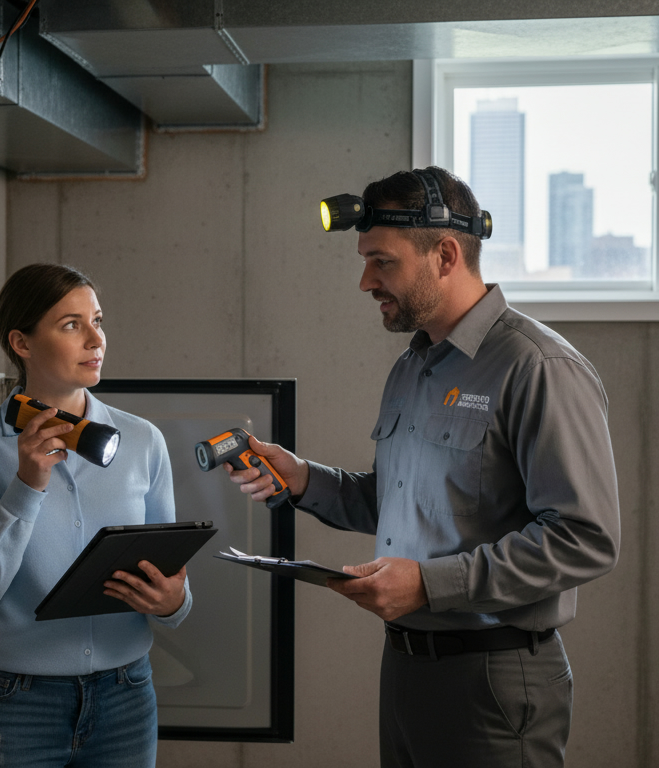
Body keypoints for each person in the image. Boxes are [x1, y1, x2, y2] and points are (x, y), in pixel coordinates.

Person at [224, 167, 620, 767]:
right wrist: (303, 478)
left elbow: (584, 538)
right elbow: (399, 501)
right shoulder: (414, 367)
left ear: (445, 254)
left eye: (382, 262)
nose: (365, 281)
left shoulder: (538, 367)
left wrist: (430, 584)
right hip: (407, 670)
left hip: (494, 678)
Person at [0, 264, 191, 768]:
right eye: (72, 325)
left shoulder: (142, 441)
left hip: (127, 693)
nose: (96, 339)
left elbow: (174, 584)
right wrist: (27, 486)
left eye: (98, 320)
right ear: (22, 343)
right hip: (15, 702)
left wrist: (172, 600)